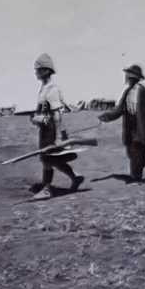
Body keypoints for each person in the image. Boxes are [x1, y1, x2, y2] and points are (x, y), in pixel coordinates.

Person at [28, 53, 84, 200]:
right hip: (46, 130)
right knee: (52, 160)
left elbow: (57, 115)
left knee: (47, 158)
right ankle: (75, 177)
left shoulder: (52, 89)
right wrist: (36, 119)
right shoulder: (44, 88)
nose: (35, 72)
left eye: (38, 69)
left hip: (52, 131)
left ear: (46, 70)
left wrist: (59, 137)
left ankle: (47, 189)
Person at [98, 63, 145, 181]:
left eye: (129, 75)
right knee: (131, 153)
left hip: (141, 127)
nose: (127, 77)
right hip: (130, 127)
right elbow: (119, 109)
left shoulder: (142, 90)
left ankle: (136, 178)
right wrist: (106, 117)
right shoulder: (127, 92)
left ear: (134, 77)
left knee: (137, 152)